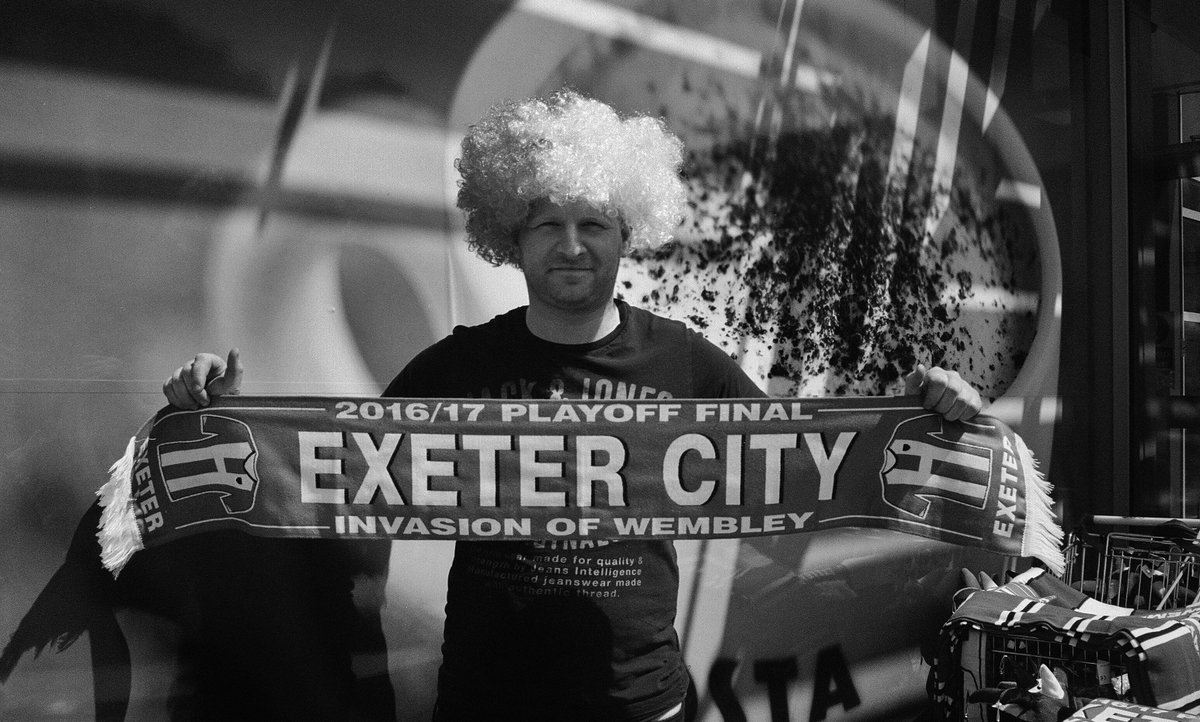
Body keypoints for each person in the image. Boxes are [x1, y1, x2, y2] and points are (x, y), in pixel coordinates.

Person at [164, 90, 982, 721]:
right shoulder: (461, 364)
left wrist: (924, 416)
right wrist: (224, 417)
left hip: (639, 703)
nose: (571, 244)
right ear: (508, 237)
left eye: (595, 222)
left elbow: (800, 465)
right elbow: (339, 468)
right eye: (546, 222)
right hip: (488, 703)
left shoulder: (686, 361)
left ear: (628, 234)